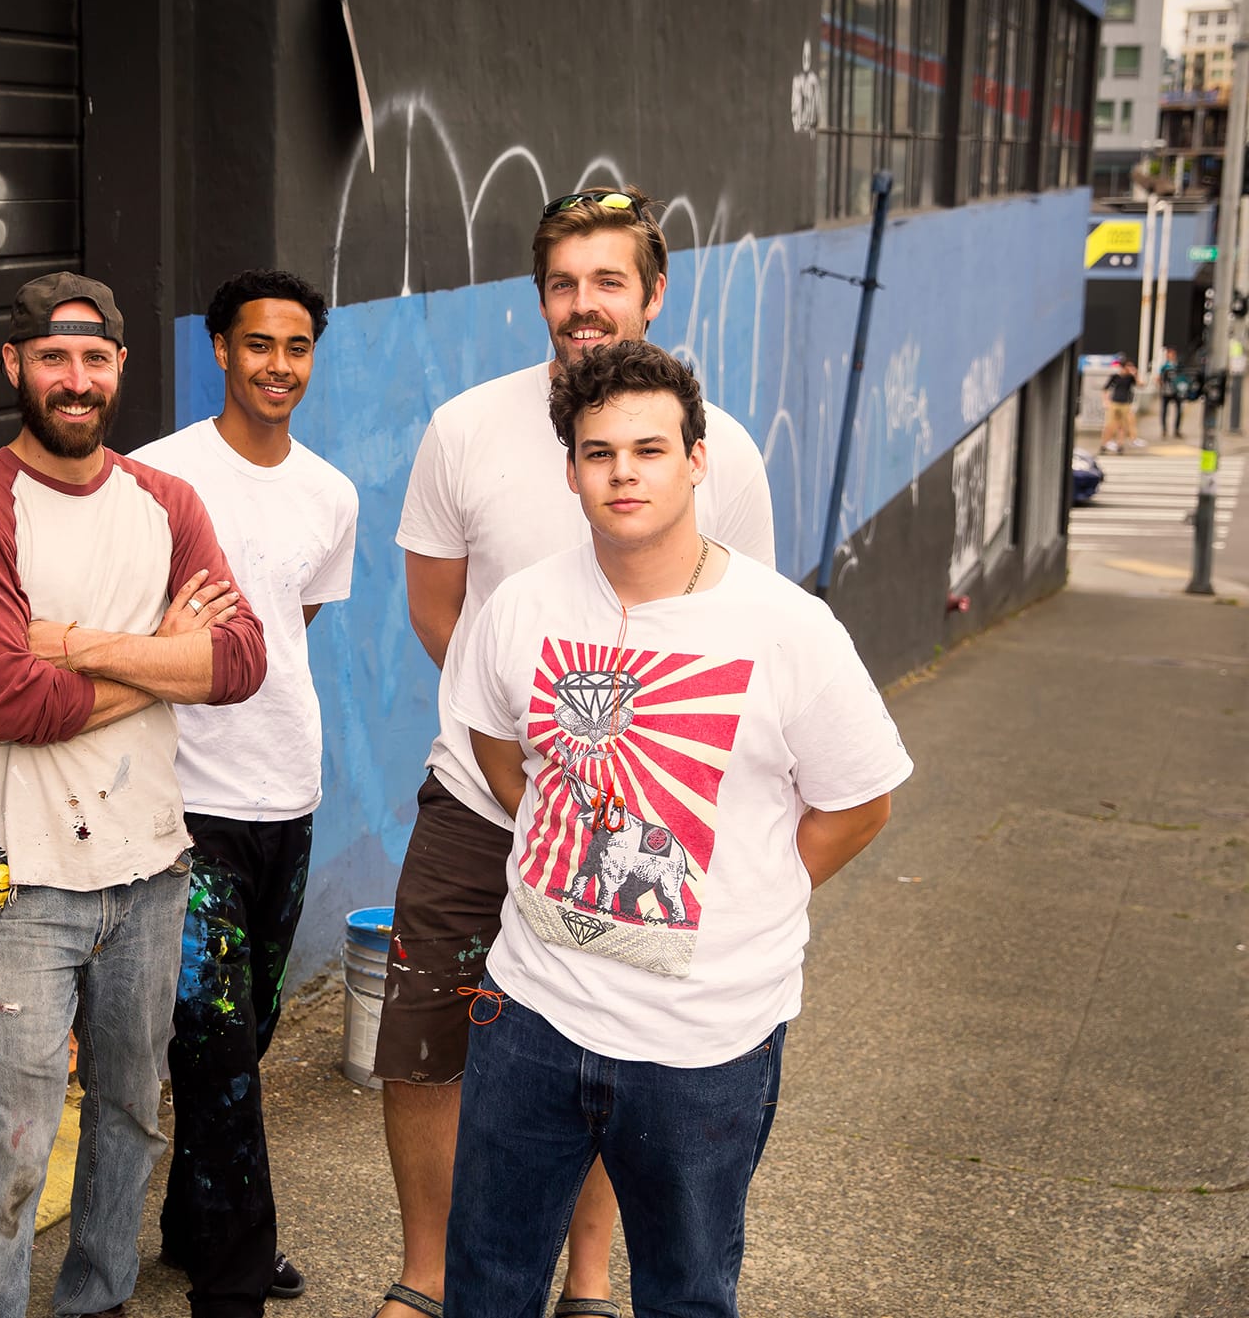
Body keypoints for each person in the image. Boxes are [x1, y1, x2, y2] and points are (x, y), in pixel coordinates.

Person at [445, 340, 911, 1317]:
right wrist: (550, 828)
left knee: (685, 1297)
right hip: (528, 1015)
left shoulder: (787, 630)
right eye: (597, 452)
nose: (622, 472)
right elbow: (495, 744)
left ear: (696, 459)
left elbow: (858, 801)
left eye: (648, 450)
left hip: (703, 1041)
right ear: (569, 469)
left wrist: (747, 894)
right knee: (485, 1287)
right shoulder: (522, 606)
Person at [376, 188, 776, 1318]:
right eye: (563, 283)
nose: (582, 305)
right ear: (539, 297)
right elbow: (438, 613)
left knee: (612, 1047)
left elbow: (742, 631)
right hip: (477, 795)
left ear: (652, 293)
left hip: (634, 822)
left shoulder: (720, 454)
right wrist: (535, 745)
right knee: (422, 1039)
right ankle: (425, 1276)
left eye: (608, 282)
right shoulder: (465, 427)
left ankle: (587, 1282)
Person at [0, 271, 269, 1318]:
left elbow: (241, 659)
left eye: (93, 358)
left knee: (131, 1111)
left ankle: (98, 1300)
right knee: (16, 1136)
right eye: (50, 358)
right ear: (13, 367)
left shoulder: (166, 504)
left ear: (119, 366)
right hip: (17, 876)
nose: (73, 380)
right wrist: (164, 657)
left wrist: (78, 648)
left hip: (151, 867)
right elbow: (5, 700)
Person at [129, 269, 359, 1318]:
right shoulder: (155, 477)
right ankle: (231, 1283)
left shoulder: (329, 493)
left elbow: (285, 630)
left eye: (297, 346)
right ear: (217, 348)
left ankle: (194, 1220)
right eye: (258, 344)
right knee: (213, 1045)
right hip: (184, 805)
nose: (278, 365)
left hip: (286, 793)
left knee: (248, 1033)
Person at [1101, 357, 1141, 453]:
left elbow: (1140, 384)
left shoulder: (1130, 378)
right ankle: (1104, 444)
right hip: (1114, 403)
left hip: (1125, 403)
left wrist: (1135, 374)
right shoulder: (1115, 376)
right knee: (1109, 425)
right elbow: (1105, 388)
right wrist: (1106, 401)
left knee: (1122, 426)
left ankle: (1120, 445)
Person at [1157, 347, 1190, 439]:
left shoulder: (1179, 366)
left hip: (1177, 391)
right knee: (1164, 411)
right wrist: (1161, 384)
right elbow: (1159, 378)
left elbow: (1184, 377)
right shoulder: (1164, 366)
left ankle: (1177, 430)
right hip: (1166, 391)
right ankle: (1164, 430)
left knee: (1179, 411)